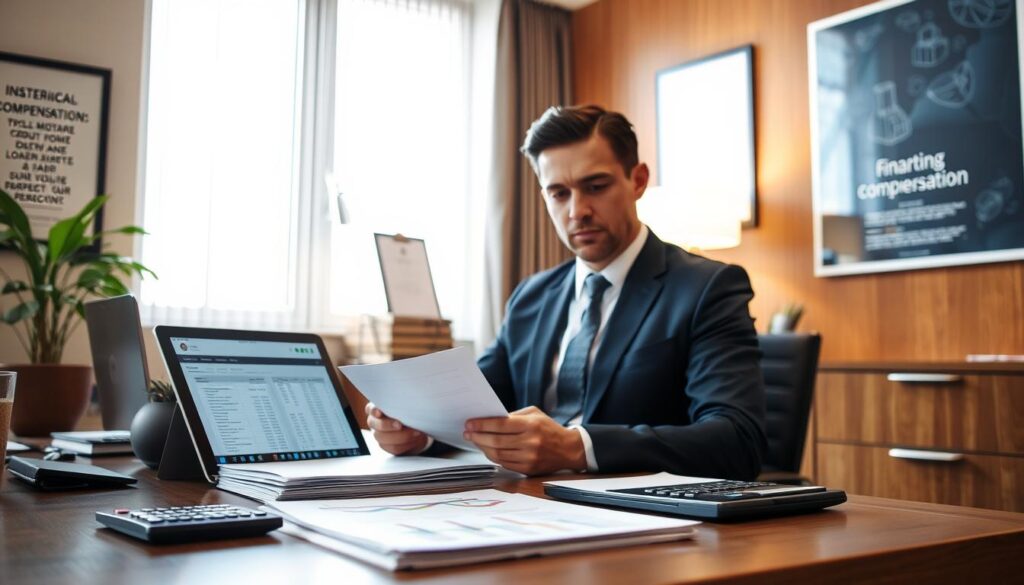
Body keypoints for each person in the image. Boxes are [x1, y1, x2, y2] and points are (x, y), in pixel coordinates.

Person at [366, 105, 766, 479]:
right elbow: (474, 403)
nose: (577, 211)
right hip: (529, 510)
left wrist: (579, 447)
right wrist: (420, 431)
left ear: (638, 181)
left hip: (645, 523)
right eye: (559, 193)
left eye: (595, 186)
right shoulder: (531, 297)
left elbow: (737, 440)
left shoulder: (706, 289)